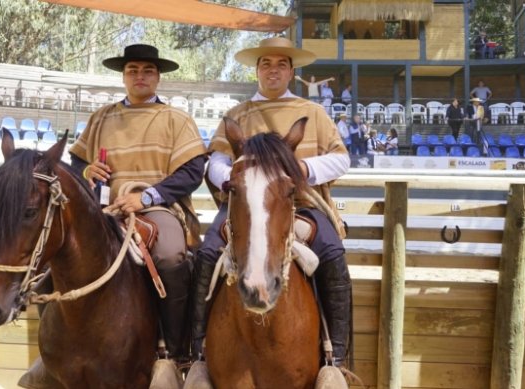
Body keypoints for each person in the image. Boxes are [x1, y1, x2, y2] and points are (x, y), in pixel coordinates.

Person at [19, 44, 207, 387]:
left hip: (158, 209)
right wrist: (87, 169)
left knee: (171, 258)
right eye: (133, 69)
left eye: (147, 70)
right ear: (123, 75)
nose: (140, 76)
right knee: (53, 261)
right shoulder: (102, 117)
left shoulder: (176, 120)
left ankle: (174, 352)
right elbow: (76, 163)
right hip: (104, 209)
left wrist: (147, 195)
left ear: (158, 77)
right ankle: (51, 355)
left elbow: (193, 170)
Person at [191, 37, 353, 369]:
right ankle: (195, 350)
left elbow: (341, 160)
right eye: (266, 64)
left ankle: (336, 356)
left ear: (291, 71)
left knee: (332, 251)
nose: (273, 70)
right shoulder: (237, 114)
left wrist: (303, 169)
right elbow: (218, 161)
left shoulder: (313, 113)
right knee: (207, 252)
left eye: (281, 64)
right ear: (257, 71)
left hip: (302, 204)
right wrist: (232, 179)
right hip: (245, 205)